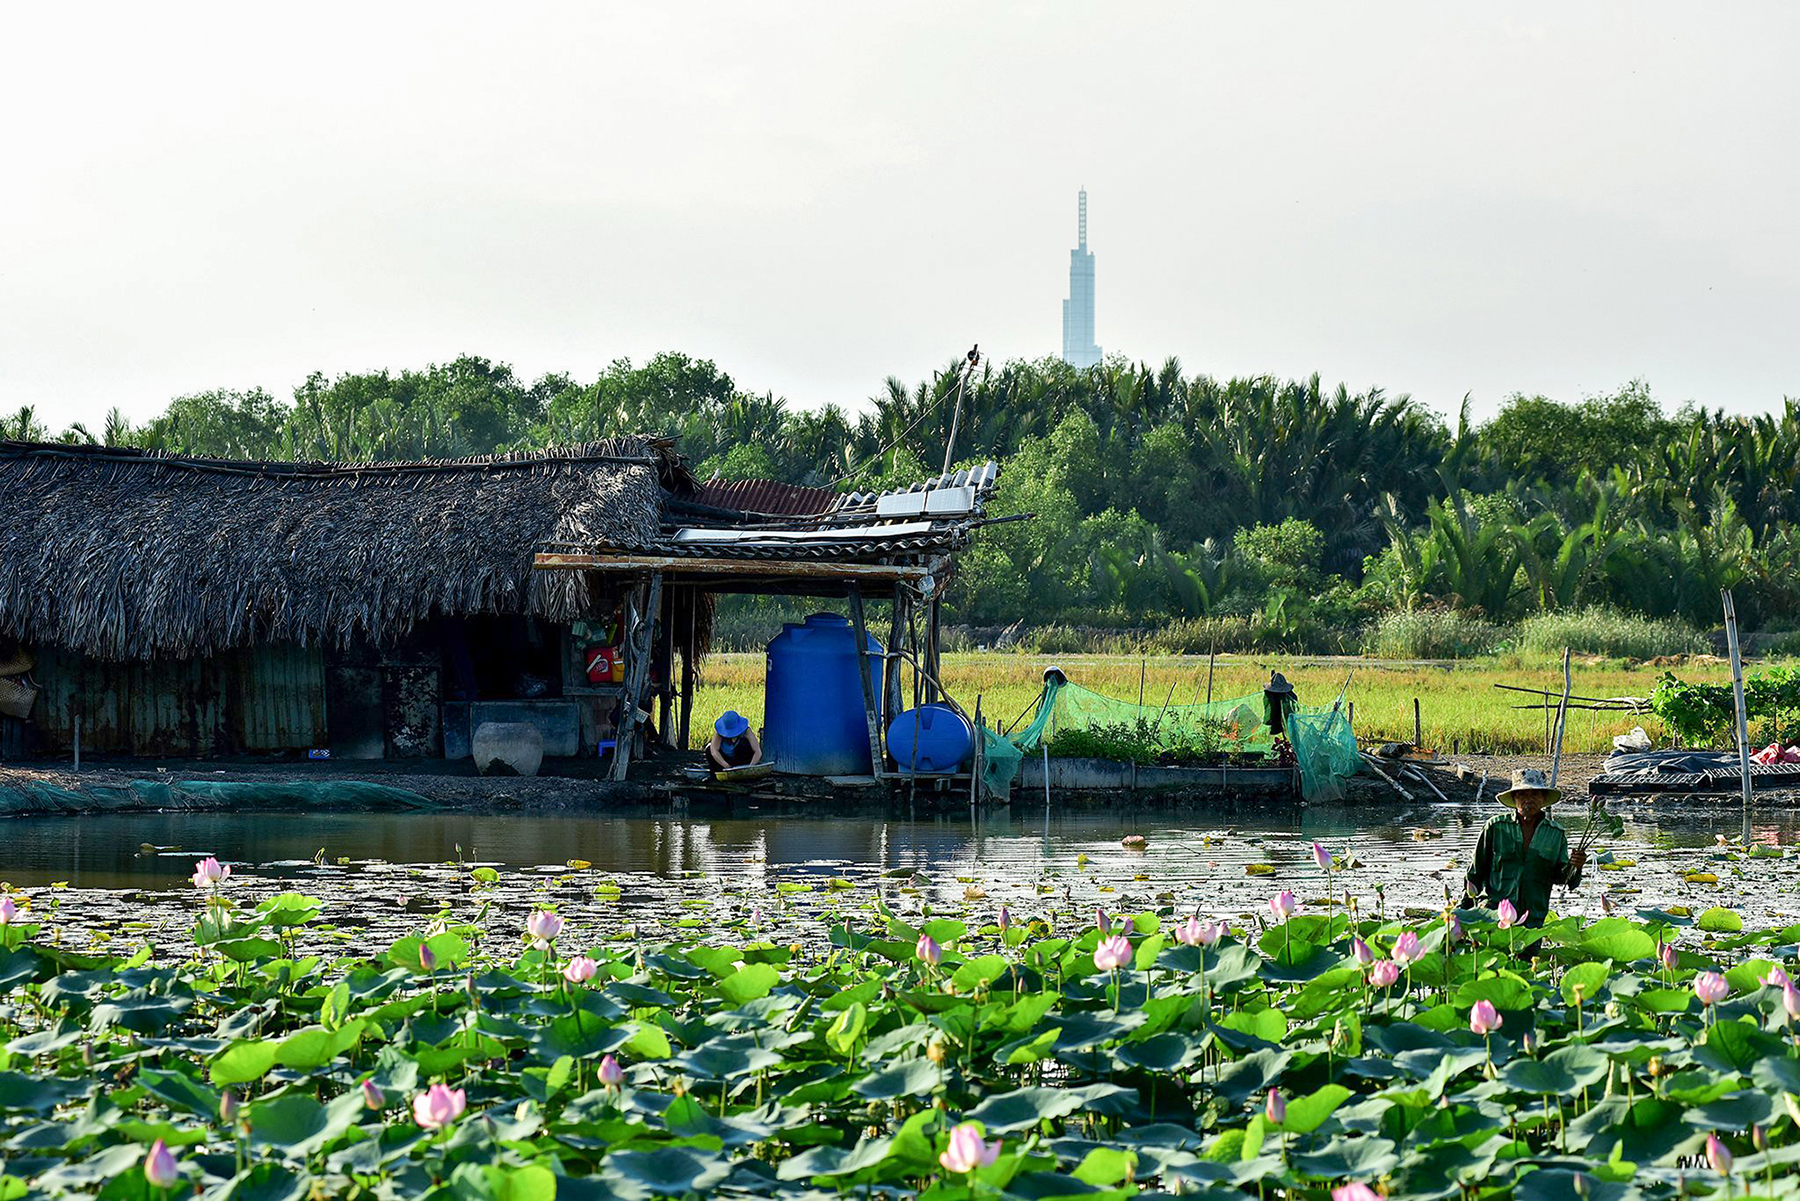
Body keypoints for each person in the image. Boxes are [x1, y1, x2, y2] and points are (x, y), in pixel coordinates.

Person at [1463, 768, 1585, 926]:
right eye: (1523, 794)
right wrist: (1462, 913)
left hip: (1533, 918)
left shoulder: (1555, 834)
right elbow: (1475, 873)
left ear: (1543, 798)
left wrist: (1576, 866)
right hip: (1494, 915)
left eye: (1535, 794)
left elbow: (1563, 879)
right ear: (1514, 798)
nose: (1529, 800)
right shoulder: (1495, 827)